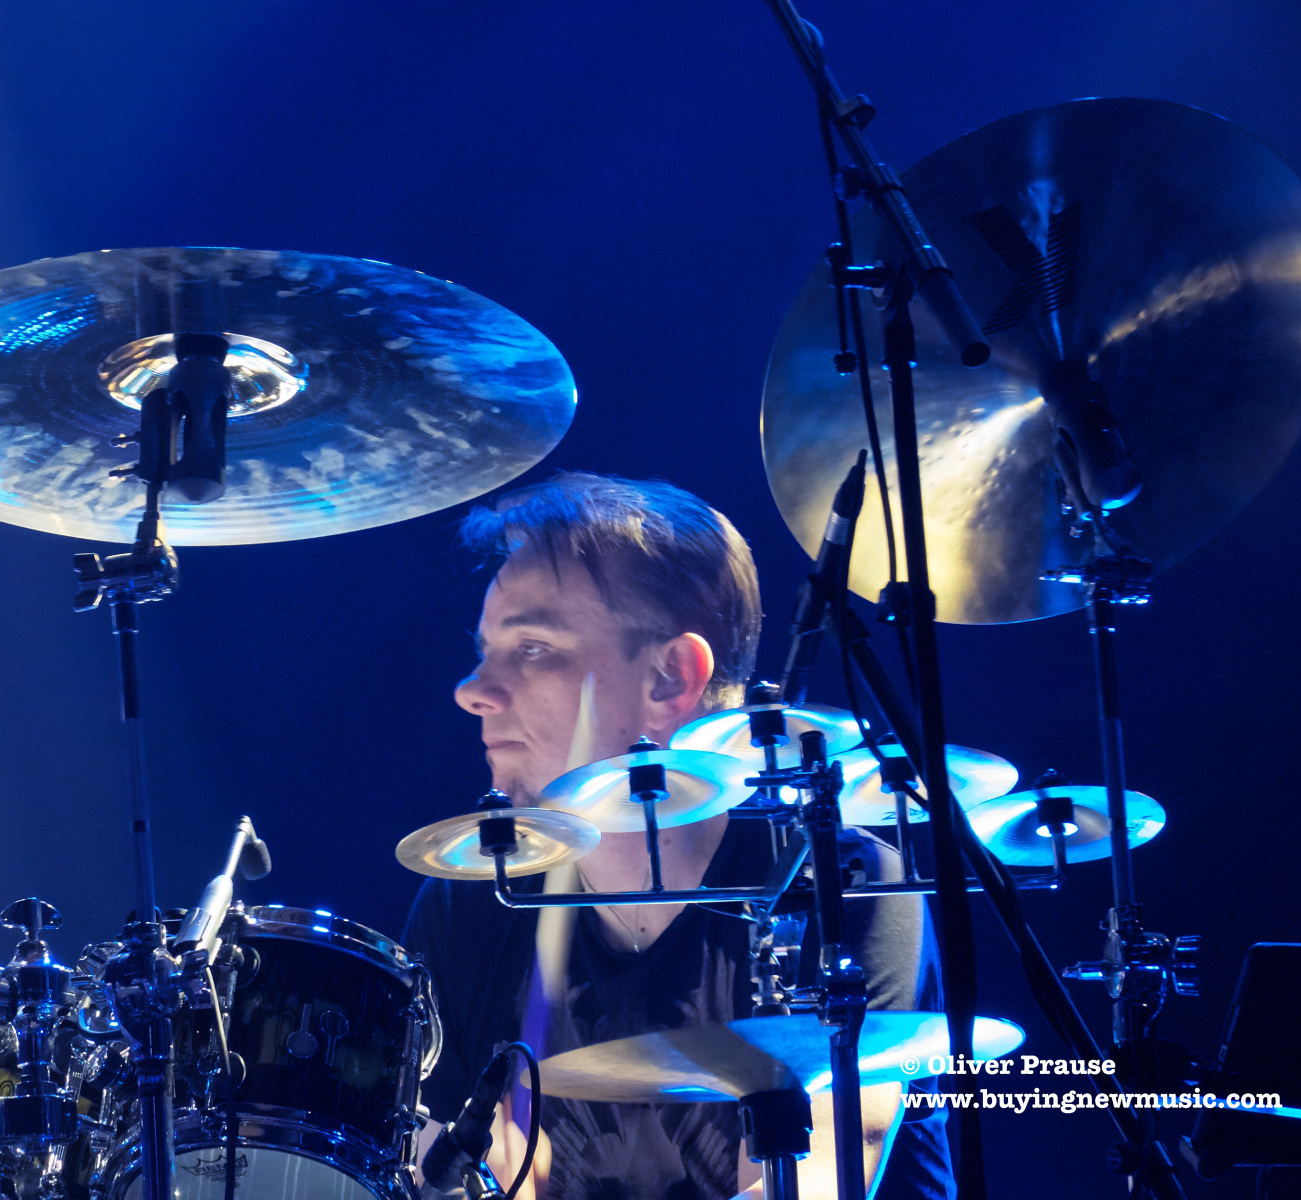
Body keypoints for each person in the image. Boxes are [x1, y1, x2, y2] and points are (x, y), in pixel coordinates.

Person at [403, 473, 952, 1200]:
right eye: (487, 650)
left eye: (532, 648)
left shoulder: (838, 883)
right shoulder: (474, 901)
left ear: (669, 678)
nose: (472, 689)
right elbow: (424, 1168)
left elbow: (816, 1182)